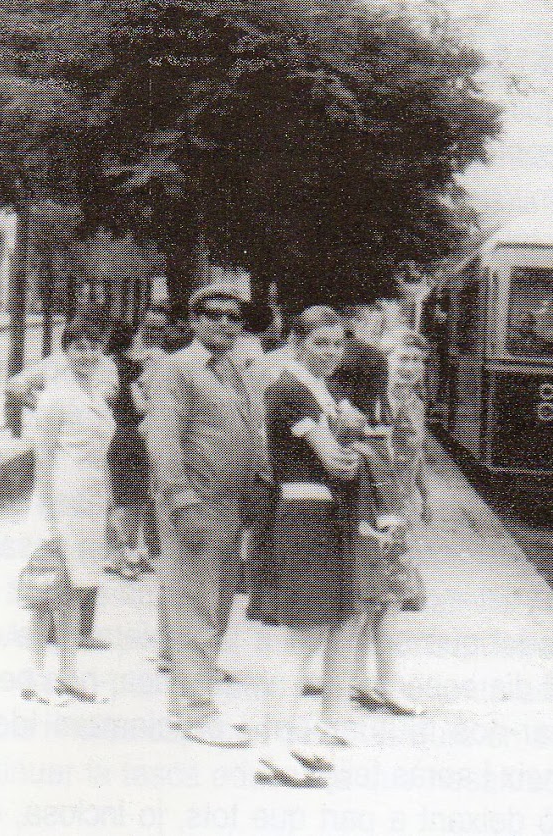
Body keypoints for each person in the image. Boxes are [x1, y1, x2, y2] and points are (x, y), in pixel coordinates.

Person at [143, 283, 270, 746]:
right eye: (213, 316)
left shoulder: (236, 370)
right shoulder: (173, 369)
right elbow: (161, 438)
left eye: (233, 318)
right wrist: (181, 498)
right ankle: (197, 712)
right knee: (194, 604)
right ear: (194, 321)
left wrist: (259, 483)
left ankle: (190, 703)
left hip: (231, 503)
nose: (224, 324)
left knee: (217, 604)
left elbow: (252, 432)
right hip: (195, 502)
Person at [246, 306, 367, 787]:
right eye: (321, 344)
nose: (332, 354)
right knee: (294, 633)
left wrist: (349, 448)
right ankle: (272, 747)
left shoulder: (321, 391)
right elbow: (338, 461)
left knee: (312, 631)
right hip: (301, 516)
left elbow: (345, 451)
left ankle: (288, 736)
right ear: (296, 343)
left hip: (322, 518)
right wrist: (353, 449)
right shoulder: (289, 390)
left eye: (338, 345)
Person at [22, 319, 115, 703]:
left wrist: (107, 505)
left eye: (93, 346)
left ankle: (69, 672)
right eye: (77, 347)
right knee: (46, 588)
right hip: (61, 501)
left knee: (77, 588)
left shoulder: (95, 392)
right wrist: (47, 517)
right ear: (65, 351)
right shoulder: (55, 397)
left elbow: (100, 454)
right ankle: (35, 676)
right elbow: (43, 461)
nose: (87, 354)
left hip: (90, 502)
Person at [347, 329, 432, 717]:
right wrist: (389, 509)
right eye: (403, 359)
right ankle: (384, 683)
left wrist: (421, 495)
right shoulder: (382, 402)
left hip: (400, 504)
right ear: (387, 360)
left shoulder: (411, 401)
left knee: (380, 599)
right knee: (385, 597)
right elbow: (378, 455)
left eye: (417, 361)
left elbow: (412, 456)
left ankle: (363, 679)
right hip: (383, 508)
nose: (411, 368)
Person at [106, 320, 161, 580]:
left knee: (132, 497)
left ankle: (129, 550)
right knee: (130, 498)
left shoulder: (119, 366)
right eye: (139, 335)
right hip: (130, 435)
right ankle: (122, 553)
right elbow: (141, 407)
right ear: (130, 340)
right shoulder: (127, 370)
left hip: (126, 435)